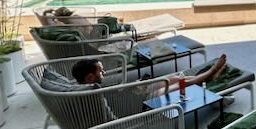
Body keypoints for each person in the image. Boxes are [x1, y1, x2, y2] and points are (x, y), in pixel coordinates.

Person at [71, 53, 228, 90]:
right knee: (181, 83)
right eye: (101, 71)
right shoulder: (93, 91)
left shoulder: (87, 86)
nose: (104, 73)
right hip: (143, 101)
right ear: (90, 77)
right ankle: (210, 74)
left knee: (175, 77)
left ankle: (209, 76)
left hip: (139, 90)